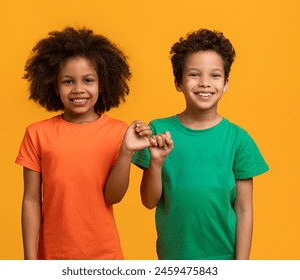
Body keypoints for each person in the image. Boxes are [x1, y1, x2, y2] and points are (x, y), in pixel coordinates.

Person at [16, 27, 153, 260]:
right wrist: (30, 262)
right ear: (54, 85)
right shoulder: (37, 134)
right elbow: (30, 200)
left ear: (102, 84)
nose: (78, 89)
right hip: (53, 257)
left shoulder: (119, 132)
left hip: (105, 257)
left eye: (88, 80)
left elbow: (113, 197)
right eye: (68, 81)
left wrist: (126, 151)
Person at [132, 29, 269, 260]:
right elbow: (148, 201)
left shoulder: (238, 139)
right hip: (173, 259)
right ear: (178, 82)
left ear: (226, 83)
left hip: (223, 259)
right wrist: (156, 162)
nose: (205, 83)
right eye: (194, 75)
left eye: (215, 76)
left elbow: (244, 210)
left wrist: (242, 268)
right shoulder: (158, 131)